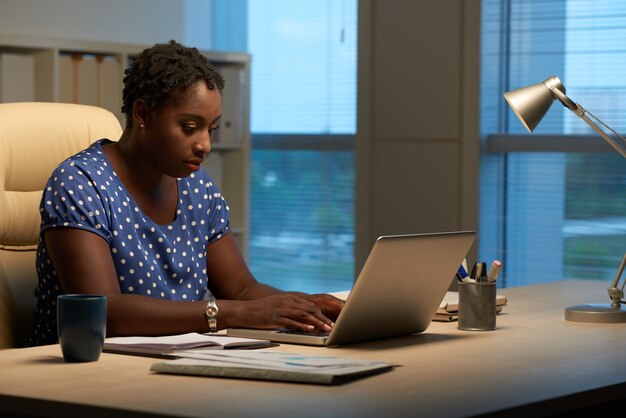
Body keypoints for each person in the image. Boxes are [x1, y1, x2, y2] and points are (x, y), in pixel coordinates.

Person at [27, 40, 344, 346]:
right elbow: (104, 311)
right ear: (142, 115)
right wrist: (230, 313)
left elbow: (242, 289)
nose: (204, 144)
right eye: (190, 127)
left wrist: (307, 308)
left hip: (179, 362)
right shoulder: (79, 183)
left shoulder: (197, 185)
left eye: (211, 128)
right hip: (87, 372)